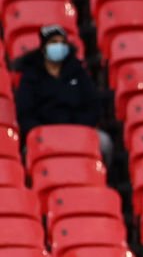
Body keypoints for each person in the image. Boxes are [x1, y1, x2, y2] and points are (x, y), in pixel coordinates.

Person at [13, 25, 113, 164]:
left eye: (62, 42)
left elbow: (93, 105)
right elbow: (25, 113)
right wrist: (43, 132)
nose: (59, 46)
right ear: (44, 47)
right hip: (44, 134)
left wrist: (78, 127)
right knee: (27, 152)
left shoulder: (78, 72)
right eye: (54, 42)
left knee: (104, 143)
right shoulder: (31, 76)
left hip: (77, 130)